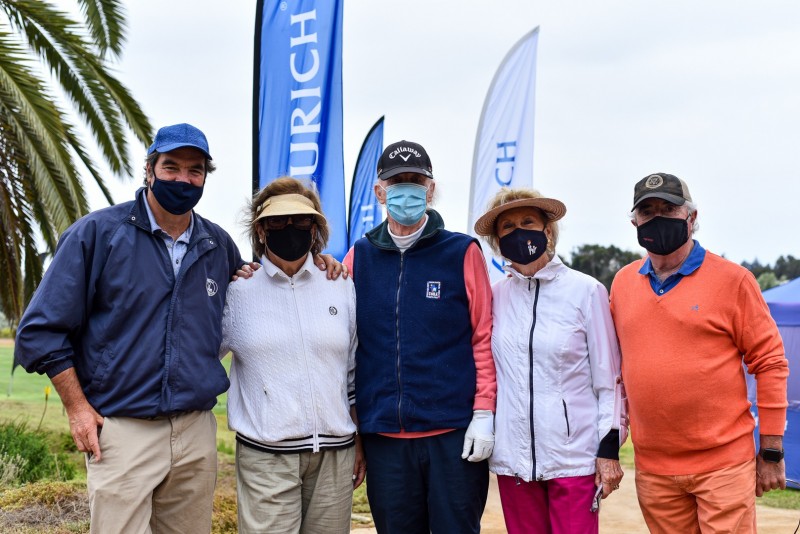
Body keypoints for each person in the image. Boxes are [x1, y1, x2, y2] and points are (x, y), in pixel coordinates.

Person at [12, 123, 343, 533]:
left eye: (195, 170)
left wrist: (318, 261)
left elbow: (267, 283)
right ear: (149, 169)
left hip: (195, 434)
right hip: (123, 429)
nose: (183, 179)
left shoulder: (216, 244)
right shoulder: (98, 234)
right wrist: (77, 409)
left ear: (205, 177)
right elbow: (41, 331)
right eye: (171, 167)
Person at [610, 172, 789, 533]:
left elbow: (770, 362)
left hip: (724, 464)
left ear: (691, 217)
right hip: (654, 469)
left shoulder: (734, 280)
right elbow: (614, 369)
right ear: (635, 223)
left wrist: (771, 450)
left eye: (668, 209)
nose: (658, 218)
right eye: (648, 212)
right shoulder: (622, 283)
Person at [342, 140, 496, 534]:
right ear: (380, 192)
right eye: (397, 182)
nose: (406, 190)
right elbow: (348, 347)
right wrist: (355, 427)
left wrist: (483, 414)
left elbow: (483, 337)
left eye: (416, 181)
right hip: (384, 437)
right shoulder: (358, 257)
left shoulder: (462, 251)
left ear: (430, 189)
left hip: (452, 433)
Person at [473, 188, 625, 534]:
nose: (519, 231)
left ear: (547, 230)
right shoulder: (494, 297)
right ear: (497, 242)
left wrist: (608, 449)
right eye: (508, 227)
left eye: (528, 222)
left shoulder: (586, 291)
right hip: (514, 462)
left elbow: (609, 380)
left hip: (573, 459)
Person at [219, 177, 364, 534]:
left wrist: (359, 440)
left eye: (301, 221)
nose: (290, 228)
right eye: (278, 221)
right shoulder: (237, 291)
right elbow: (200, 357)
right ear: (261, 229)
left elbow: (351, 373)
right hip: (266, 458)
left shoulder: (340, 284)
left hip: (335, 456)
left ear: (315, 228)